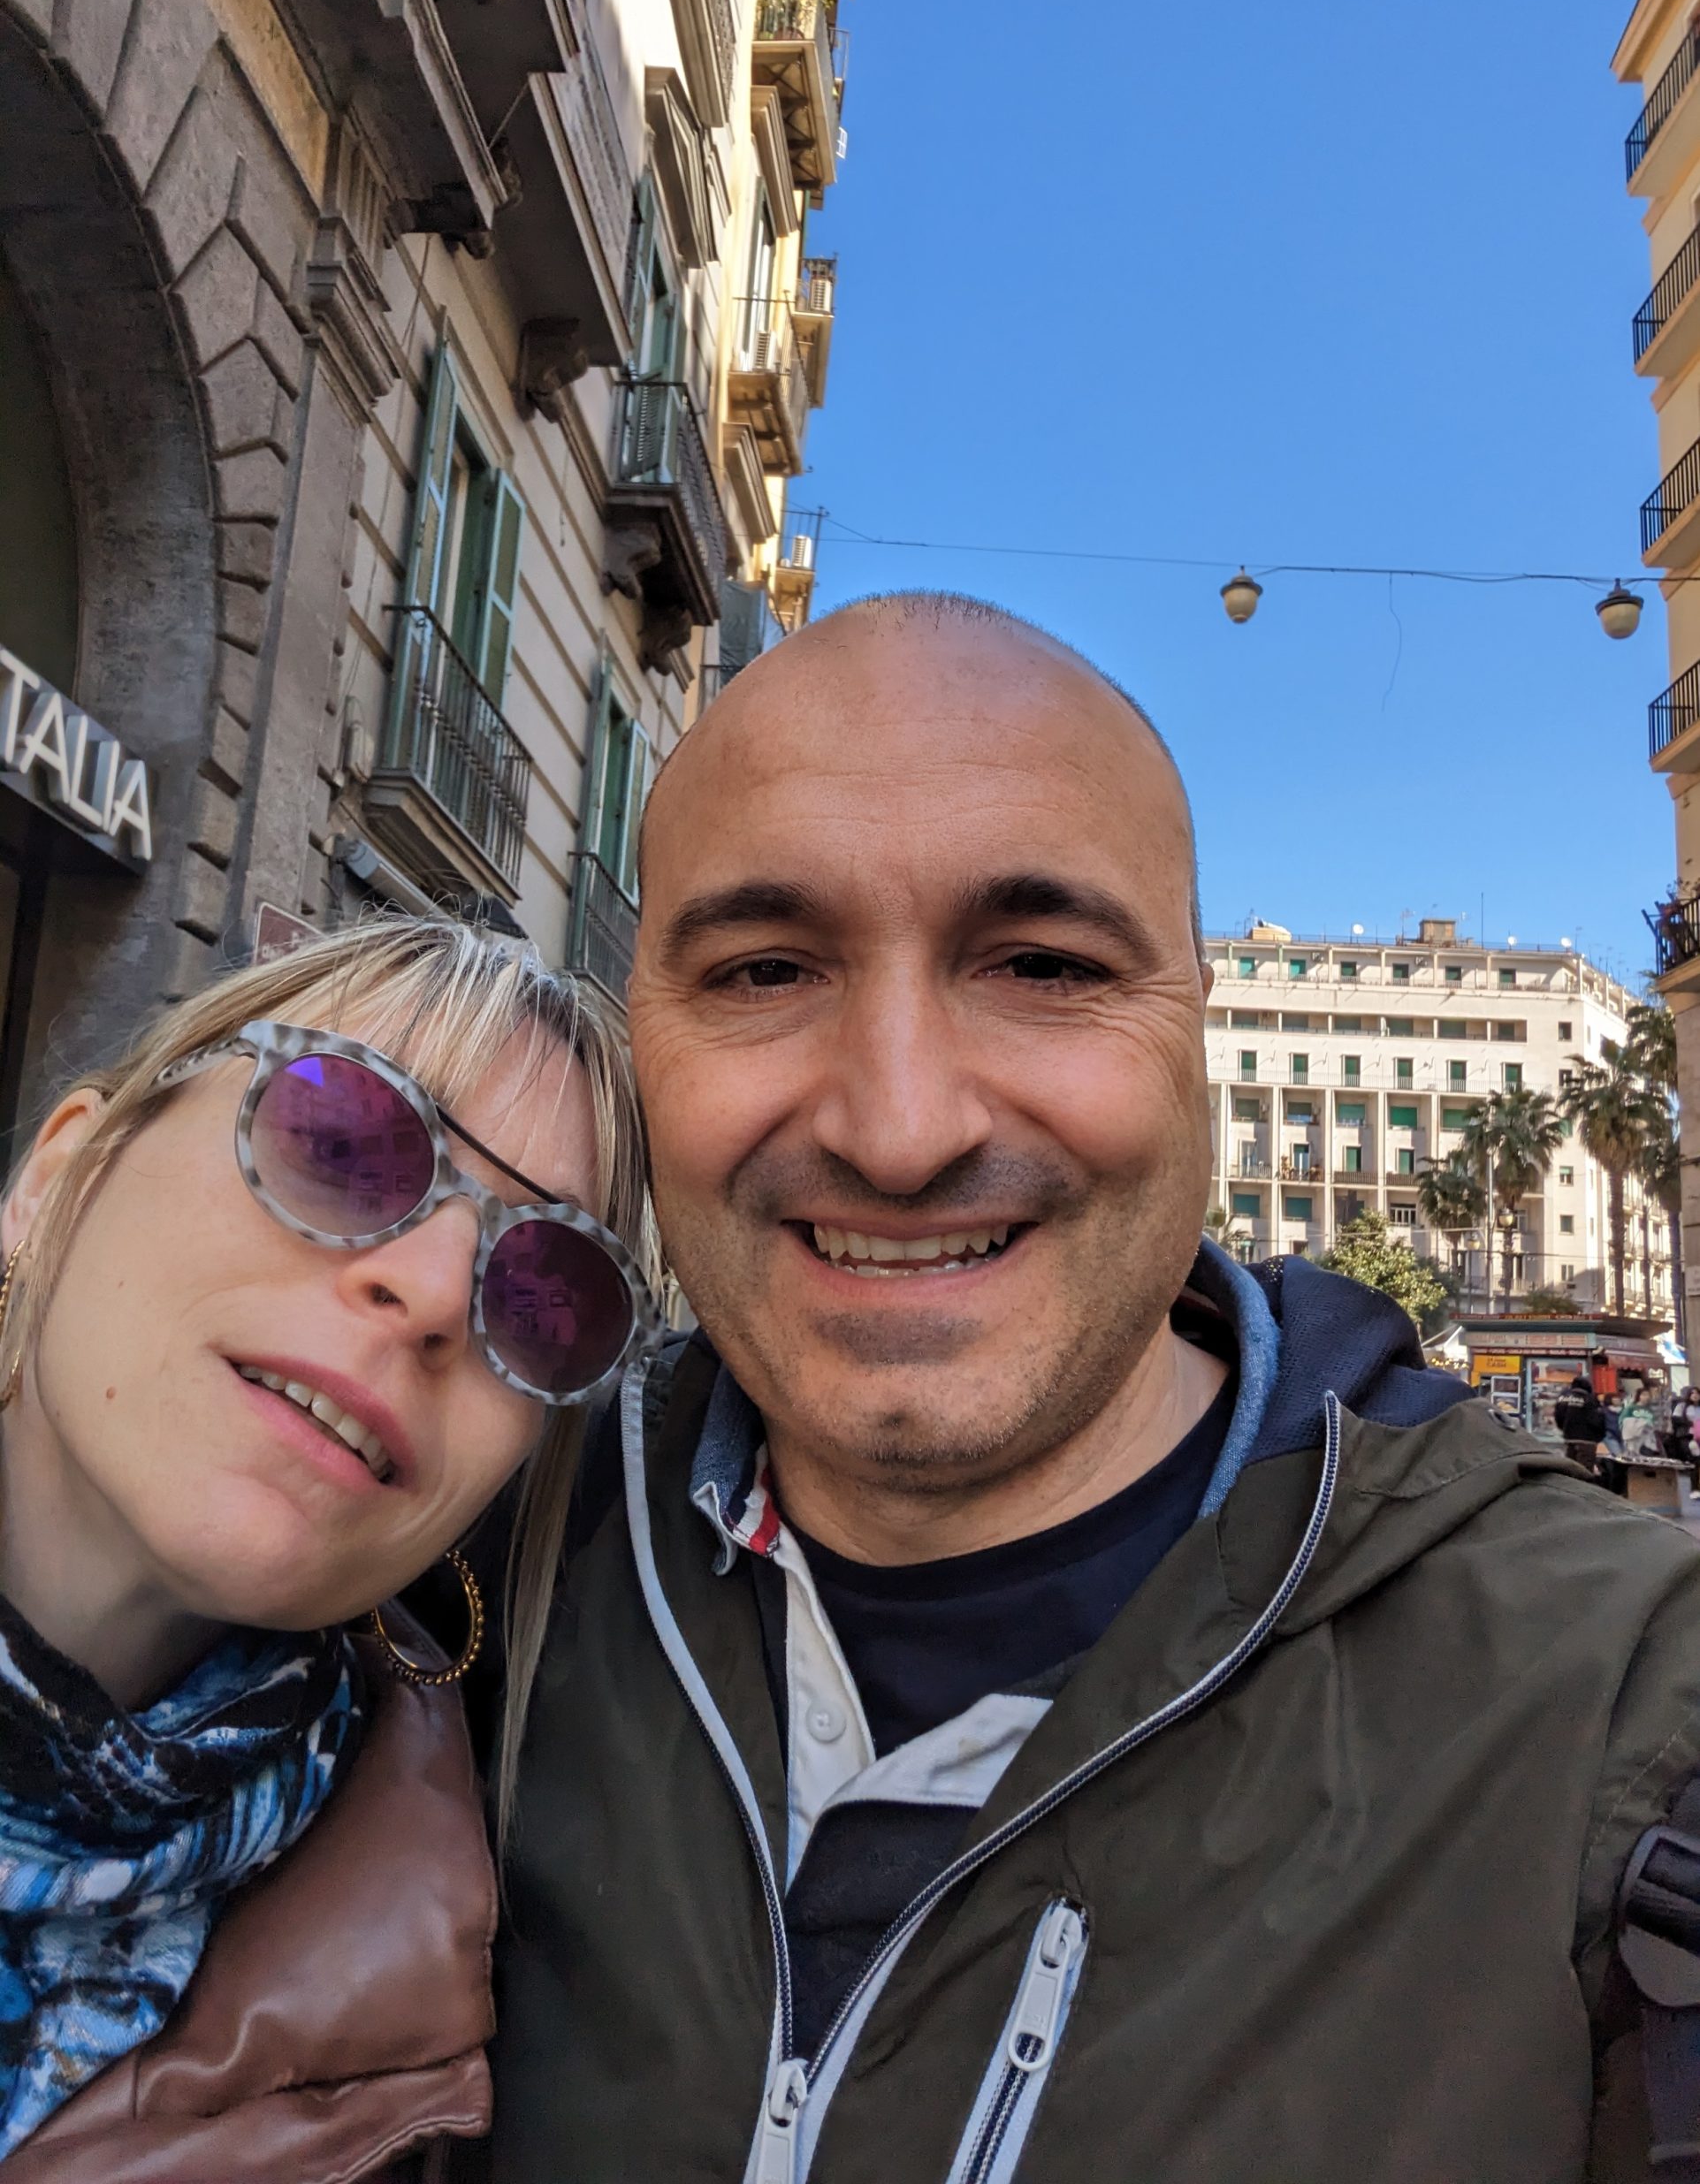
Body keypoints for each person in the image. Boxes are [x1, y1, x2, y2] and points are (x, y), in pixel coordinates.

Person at [491, 593, 1700, 2181]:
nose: (900, 1131)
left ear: (1197, 1025)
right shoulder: (467, 1589)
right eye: (767, 969)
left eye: (1044, 967)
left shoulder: (1628, 1708)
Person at [0, 917, 653, 2178]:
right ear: (61, 1174)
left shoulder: (438, 2064)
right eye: (342, 1138)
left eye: (544, 1296)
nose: (432, 1292)